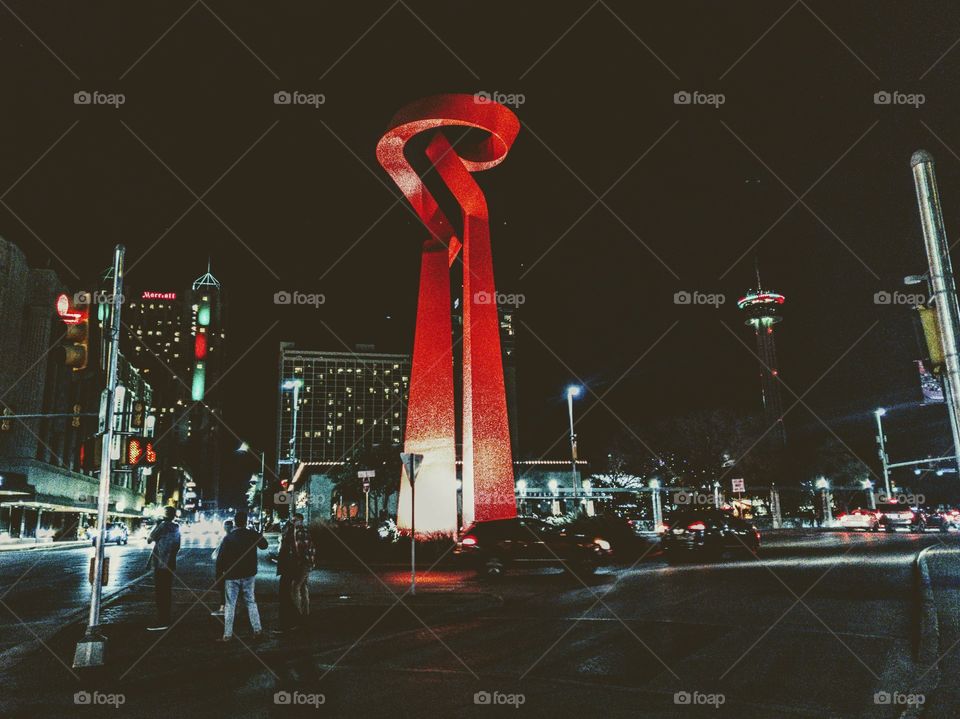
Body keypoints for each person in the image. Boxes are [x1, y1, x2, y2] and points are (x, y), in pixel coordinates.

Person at [215, 510, 268, 642]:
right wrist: (256, 531)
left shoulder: (228, 538)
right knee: (251, 602)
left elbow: (220, 559)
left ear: (235, 522)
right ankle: (257, 630)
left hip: (232, 575)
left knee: (230, 605)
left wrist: (219, 577)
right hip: (249, 574)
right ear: (246, 521)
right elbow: (264, 545)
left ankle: (227, 635)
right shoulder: (252, 535)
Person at [146, 506, 181, 631]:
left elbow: (149, 539)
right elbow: (177, 546)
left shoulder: (162, 526)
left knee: (160, 593)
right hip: (170, 564)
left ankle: (162, 621)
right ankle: (166, 618)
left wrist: (156, 524)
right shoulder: (176, 527)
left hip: (160, 564)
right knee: (167, 592)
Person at [289, 513, 315, 625]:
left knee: (295, 587)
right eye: (293, 520)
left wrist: (299, 560)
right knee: (303, 587)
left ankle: (298, 614)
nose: (294, 522)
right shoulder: (302, 530)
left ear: (301, 520)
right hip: (307, 563)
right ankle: (306, 613)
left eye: (296, 520)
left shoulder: (300, 532)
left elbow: (302, 548)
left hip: (303, 563)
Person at [273, 517, 298, 634]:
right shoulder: (289, 541)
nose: (282, 530)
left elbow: (287, 557)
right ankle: (295, 621)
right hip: (288, 571)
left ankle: (286, 624)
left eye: (284, 528)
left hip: (287, 571)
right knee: (285, 597)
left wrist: (279, 558)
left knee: (284, 597)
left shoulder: (288, 542)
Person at [210, 519, 235, 617]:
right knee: (227, 587)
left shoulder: (227, 538)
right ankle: (226, 606)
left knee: (224, 587)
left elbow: (220, 554)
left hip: (224, 566)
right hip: (229, 566)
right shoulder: (231, 537)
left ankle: (224, 607)